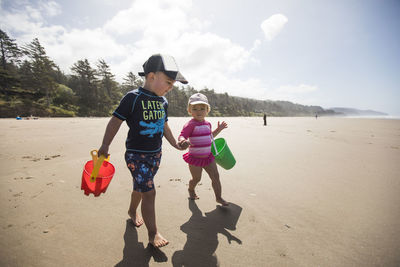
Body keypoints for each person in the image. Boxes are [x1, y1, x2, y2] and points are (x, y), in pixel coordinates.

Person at [97, 54, 189, 248]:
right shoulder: (133, 98)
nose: (170, 88)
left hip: (156, 155)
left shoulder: (163, 102)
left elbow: (164, 125)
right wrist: (105, 145)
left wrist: (176, 144)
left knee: (141, 187)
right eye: (169, 82)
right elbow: (115, 121)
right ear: (151, 77)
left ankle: (132, 210)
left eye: (173, 84)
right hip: (135, 155)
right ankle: (153, 233)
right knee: (150, 192)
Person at [178, 93, 229, 206]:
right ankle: (191, 189)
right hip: (195, 158)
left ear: (207, 110)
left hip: (208, 157)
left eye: (202, 108)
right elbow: (182, 135)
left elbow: (210, 136)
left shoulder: (208, 124)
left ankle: (219, 197)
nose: (199, 111)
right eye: (195, 109)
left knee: (215, 177)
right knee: (196, 179)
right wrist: (182, 141)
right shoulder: (190, 125)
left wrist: (219, 129)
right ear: (190, 110)